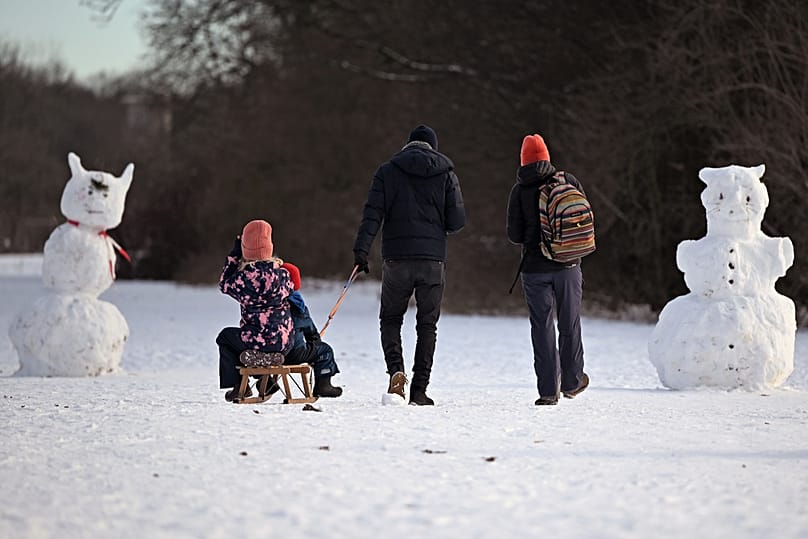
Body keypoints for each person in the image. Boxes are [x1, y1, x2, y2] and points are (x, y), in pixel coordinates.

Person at [353, 124, 466, 405]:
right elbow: (457, 222)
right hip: (432, 261)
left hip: (397, 260)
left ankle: (396, 372)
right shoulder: (446, 174)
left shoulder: (387, 172)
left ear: (408, 145)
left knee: (391, 319)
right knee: (427, 325)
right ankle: (419, 390)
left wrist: (361, 250)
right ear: (433, 147)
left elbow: (372, 215)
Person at [506, 134, 589, 405]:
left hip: (534, 269)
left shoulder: (519, 191)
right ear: (547, 158)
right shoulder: (568, 181)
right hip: (568, 265)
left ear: (523, 161)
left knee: (541, 326)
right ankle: (573, 381)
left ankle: (547, 391)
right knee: (570, 321)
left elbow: (515, 235)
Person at [216, 219, 294, 402]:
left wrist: (234, 255)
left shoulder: (243, 279)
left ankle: (237, 387)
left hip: (255, 340)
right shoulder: (283, 275)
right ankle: (265, 381)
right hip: (283, 341)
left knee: (226, 338)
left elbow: (224, 284)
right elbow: (293, 288)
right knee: (260, 339)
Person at [280, 262, 343, 398]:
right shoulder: (297, 304)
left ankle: (267, 382)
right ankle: (323, 385)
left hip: (266, 352)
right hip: (293, 354)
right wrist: (315, 340)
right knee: (325, 350)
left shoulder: (264, 301)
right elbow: (310, 331)